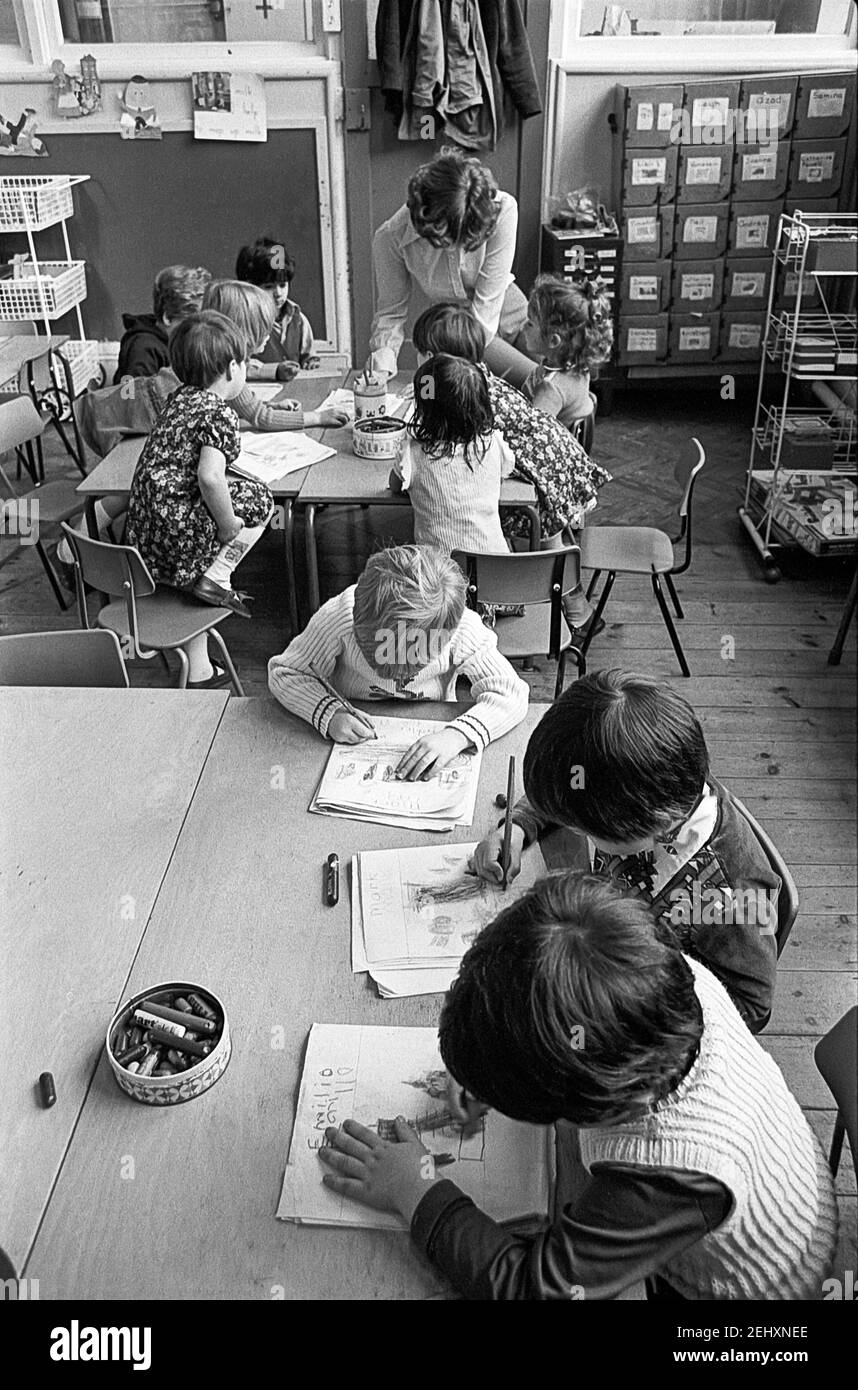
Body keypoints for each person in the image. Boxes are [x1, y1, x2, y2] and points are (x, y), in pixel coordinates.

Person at [317, 872, 838, 1300]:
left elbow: (535, 1288)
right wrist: (489, 1061)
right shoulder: (661, 972)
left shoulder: (667, 1173)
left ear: (606, 1104)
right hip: (775, 1177)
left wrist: (415, 1189)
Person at [470, 670, 779, 1032]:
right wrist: (518, 826)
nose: (575, 829)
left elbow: (753, 1007)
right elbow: (574, 789)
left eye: (582, 829)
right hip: (602, 931)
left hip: (637, 1004)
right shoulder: (654, 780)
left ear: (655, 823)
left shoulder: (728, 901)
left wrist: (634, 999)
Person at [410, 301, 610, 639]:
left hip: (541, 466)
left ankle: (576, 613)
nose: (419, 359)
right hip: (546, 453)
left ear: (435, 359)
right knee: (550, 535)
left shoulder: (465, 395)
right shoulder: (472, 379)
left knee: (547, 536)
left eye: (422, 353)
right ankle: (576, 609)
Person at [268, 544, 528, 780]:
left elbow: (512, 693)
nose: (397, 679)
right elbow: (285, 672)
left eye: (413, 664)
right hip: (346, 734)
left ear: (445, 639)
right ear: (358, 624)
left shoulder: (461, 628)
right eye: (378, 658)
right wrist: (329, 712)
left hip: (434, 726)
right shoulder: (338, 617)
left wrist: (458, 736)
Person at [126, 311, 273, 663]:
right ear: (232, 369)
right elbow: (209, 477)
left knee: (232, 490)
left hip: (145, 536)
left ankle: (199, 660)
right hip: (179, 534)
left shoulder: (177, 399)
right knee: (262, 499)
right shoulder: (218, 413)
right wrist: (228, 524)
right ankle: (218, 575)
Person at [367, 148, 536, 388]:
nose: (457, 249)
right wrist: (382, 366)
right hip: (455, 332)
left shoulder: (501, 208)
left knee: (562, 385)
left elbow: (487, 309)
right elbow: (390, 312)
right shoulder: (391, 237)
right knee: (542, 387)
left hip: (506, 311)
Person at [390, 354, 514, 555]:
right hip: (495, 565)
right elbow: (500, 478)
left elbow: (395, 486)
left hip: (439, 571)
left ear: (426, 410)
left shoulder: (412, 453)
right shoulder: (493, 443)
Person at [521, 274, 613, 428]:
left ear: (553, 341)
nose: (523, 327)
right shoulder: (580, 369)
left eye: (530, 323)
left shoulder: (550, 390)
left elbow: (531, 434)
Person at [235, 236, 317, 380]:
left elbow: (307, 355)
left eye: (283, 285)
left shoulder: (297, 318)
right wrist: (274, 371)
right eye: (268, 287)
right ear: (251, 288)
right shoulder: (243, 321)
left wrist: (310, 361)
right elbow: (237, 366)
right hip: (257, 389)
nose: (278, 293)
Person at [113, 264, 210, 382]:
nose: (195, 330)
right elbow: (132, 392)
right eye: (188, 324)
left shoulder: (175, 345)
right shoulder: (143, 350)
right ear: (167, 318)